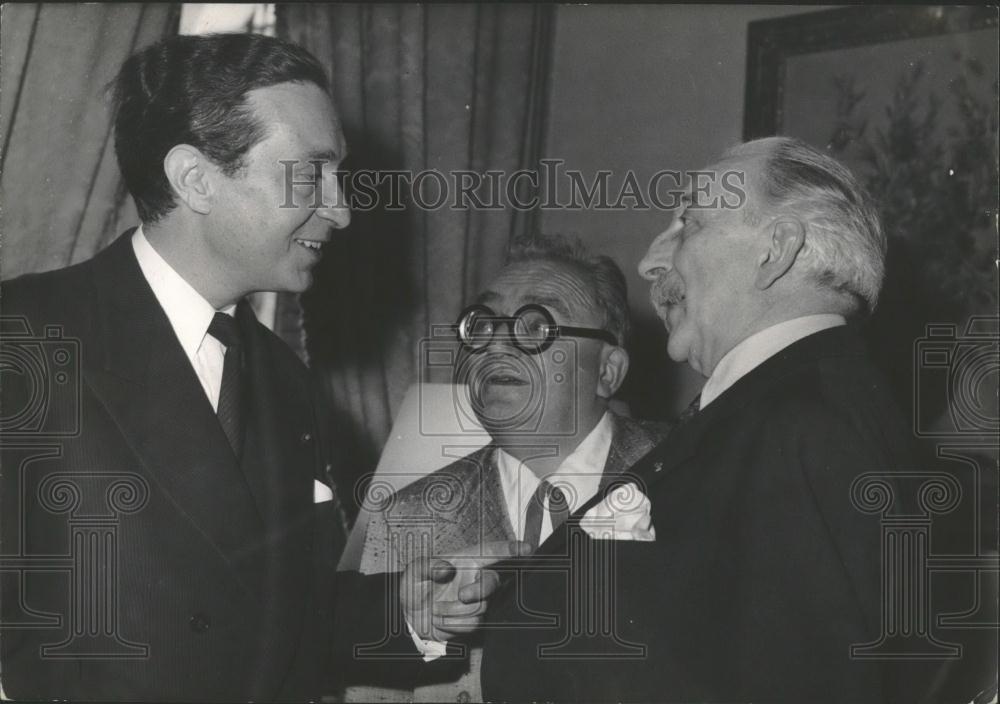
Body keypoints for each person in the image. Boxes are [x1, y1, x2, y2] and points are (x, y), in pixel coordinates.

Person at [0, 33, 511, 702]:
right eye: (311, 174)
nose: (342, 210)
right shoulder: (25, 338)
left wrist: (406, 614)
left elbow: (267, 619)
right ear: (196, 179)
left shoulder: (283, 381)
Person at [477, 137, 962, 702]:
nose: (651, 260)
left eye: (688, 223)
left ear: (775, 250)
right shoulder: (777, 408)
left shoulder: (801, 425)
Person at [350, 235, 669, 702]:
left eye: (535, 325)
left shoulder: (695, 465)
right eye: (482, 324)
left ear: (607, 371)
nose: (496, 342)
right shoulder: (402, 518)